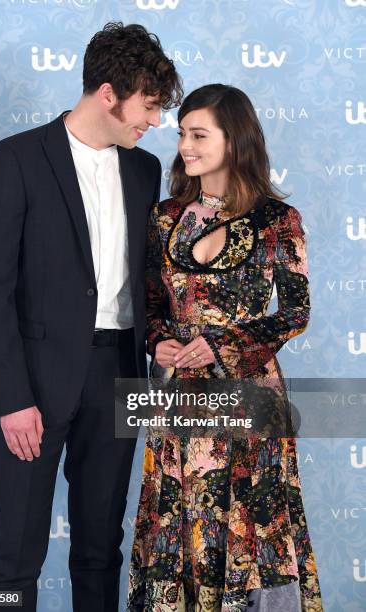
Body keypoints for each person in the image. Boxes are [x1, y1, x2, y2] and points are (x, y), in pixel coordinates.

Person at [0, 21, 183, 612]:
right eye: (148, 106)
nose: (155, 122)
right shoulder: (15, 159)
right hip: (35, 382)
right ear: (108, 93)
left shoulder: (143, 171)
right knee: (15, 551)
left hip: (120, 375)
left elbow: (150, 283)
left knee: (100, 547)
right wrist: (12, 397)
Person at [127, 84, 323, 611]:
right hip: (178, 401)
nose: (185, 146)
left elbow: (295, 313)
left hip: (249, 397)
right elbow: (150, 303)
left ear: (233, 140)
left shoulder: (278, 220)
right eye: (181, 134)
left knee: (250, 521)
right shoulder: (166, 216)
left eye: (198, 135)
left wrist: (222, 345)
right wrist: (160, 341)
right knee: (177, 514)